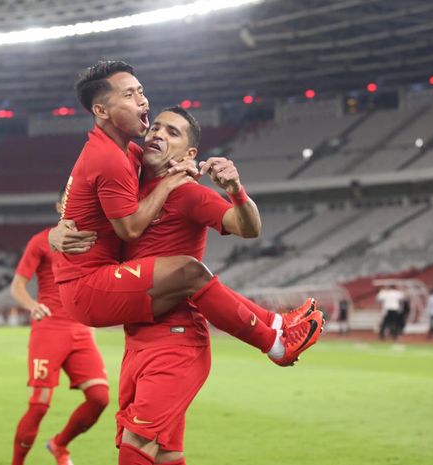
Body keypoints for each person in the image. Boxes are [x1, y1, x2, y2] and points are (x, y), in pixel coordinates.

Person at [49, 60, 322, 373]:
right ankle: (275, 344)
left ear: (189, 153)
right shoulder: (113, 158)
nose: (142, 101)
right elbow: (129, 230)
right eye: (129, 95)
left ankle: (274, 324)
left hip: (112, 294)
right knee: (190, 271)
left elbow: (77, 203)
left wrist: (232, 189)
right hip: (90, 289)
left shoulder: (131, 155)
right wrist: (54, 234)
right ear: (102, 110)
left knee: (191, 273)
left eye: (141, 92)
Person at [110, 107, 318, 465]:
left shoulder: (188, 194)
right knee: (166, 453)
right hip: (137, 340)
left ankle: (276, 340)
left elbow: (249, 228)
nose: (158, 134)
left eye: (173, 133)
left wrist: (236, 190)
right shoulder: (130, 183)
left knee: (137, 443)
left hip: (176, 342)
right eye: (156, 127)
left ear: (190, 155)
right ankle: (276, 325)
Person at [9, 199, 109, 465]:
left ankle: (59, 444)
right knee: (40, 404)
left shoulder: (92, 240)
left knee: (100, 398)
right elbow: (17, 285)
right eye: (66, 199)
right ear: (57, 206)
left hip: (81, 330)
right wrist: (32, 305)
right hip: (50, 328)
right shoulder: (41, 241)